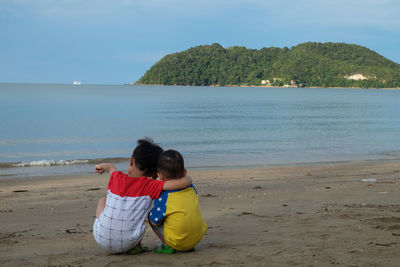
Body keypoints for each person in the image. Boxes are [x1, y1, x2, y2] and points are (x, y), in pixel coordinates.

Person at [93, 138, 192, 254]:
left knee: (102, 200)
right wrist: (188, 177)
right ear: (154, 172)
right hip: (129, 242)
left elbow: (110, 167)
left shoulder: (116, 177)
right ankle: (137, 246)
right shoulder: (151, 185)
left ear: (132, 160)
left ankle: (107, 230)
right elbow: (183, 183)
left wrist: (100, 165)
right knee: (139, 214)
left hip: (101, 238)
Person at [148, 149, 207, 254]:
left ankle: (168, 245)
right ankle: (187, 245)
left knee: (152, 217)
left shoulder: (164, 196)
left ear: (160, 176)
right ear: (184, 172)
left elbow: (155, 219)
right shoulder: (191, 187)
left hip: (178, 242)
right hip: (196, 239)